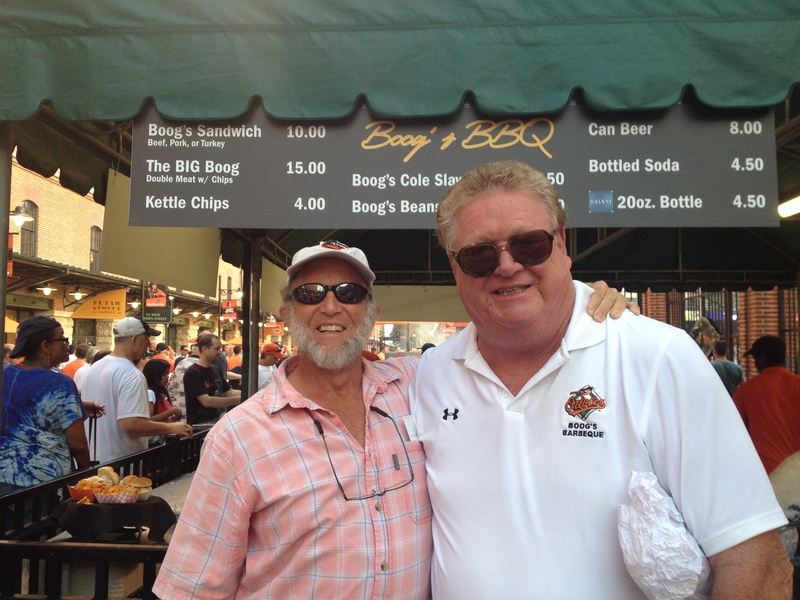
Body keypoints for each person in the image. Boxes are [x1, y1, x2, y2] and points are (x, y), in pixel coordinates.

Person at [154, 240, 632, 599]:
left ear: (371, 310)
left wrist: (585, 306)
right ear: (286, 312)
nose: (330, 304)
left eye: (349, 291)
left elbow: (514, 338)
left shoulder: (421, 383)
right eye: (310, 292)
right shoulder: (238, 438)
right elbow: (192, 589)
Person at [409, 161, 791, 599]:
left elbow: (753, 561)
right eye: (479, 254)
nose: (508, 265)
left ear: (562, 244)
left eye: (530, 244)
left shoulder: (657, 355)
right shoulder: (430, 376)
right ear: (455, 267)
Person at [80, 317, 192, 463]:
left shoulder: (93, 368)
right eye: (146, 339)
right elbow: (131, 424)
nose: (149, 344)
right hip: (122, 464)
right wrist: (171, 427)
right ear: (134, 340)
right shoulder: (132, 374)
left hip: (95, 460)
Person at [0, 317, 90, 495]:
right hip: (43, 481)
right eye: (62, 338)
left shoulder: (5, 372)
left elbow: (18, 401)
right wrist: (86, 473)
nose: (67, 343)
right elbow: (78, 444)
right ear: (45, 346)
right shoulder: (59, 383)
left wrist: (82, 405)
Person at [734, 335, 800, 475]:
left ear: (762, 359)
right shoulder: (797, 384)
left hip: (765, 474)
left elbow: (733, 432)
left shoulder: (745, 391)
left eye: (755, 358)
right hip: (796, 472)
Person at [183, 333, 241, 425]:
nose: (220, 352)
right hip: (198, 428)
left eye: (220, 349)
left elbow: (230, 392)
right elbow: (207, 401)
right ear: (204, 349)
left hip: (214, 423)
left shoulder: (215, 369)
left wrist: (252, 393)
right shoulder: (193, 372)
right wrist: (240, 399)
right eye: (216, 349)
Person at [143, 358, 182, 446]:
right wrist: (171, 411)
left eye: (167, 374)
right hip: (154, 442)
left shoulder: (162, 392)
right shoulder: (150, 393)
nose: (167, 377)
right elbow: (148, 420)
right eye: (164, 374)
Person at [169, 342, 199, 418]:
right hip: (192, 414)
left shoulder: (180, 363)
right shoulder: (199, 366)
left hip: (177, 410)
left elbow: (171, 388)